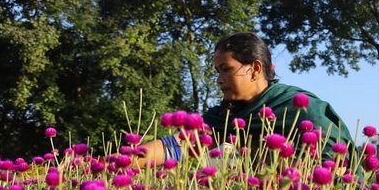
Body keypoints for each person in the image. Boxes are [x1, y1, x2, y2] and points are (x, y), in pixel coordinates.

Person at [135, 32, 354, 167]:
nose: (219, 80)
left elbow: (334, 165)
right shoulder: (225, 116)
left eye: (226, 70)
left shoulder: (302, 109)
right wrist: (121, 162)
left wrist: (253, 161)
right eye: (217, 72)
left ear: (255, 69)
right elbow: (176, 145)